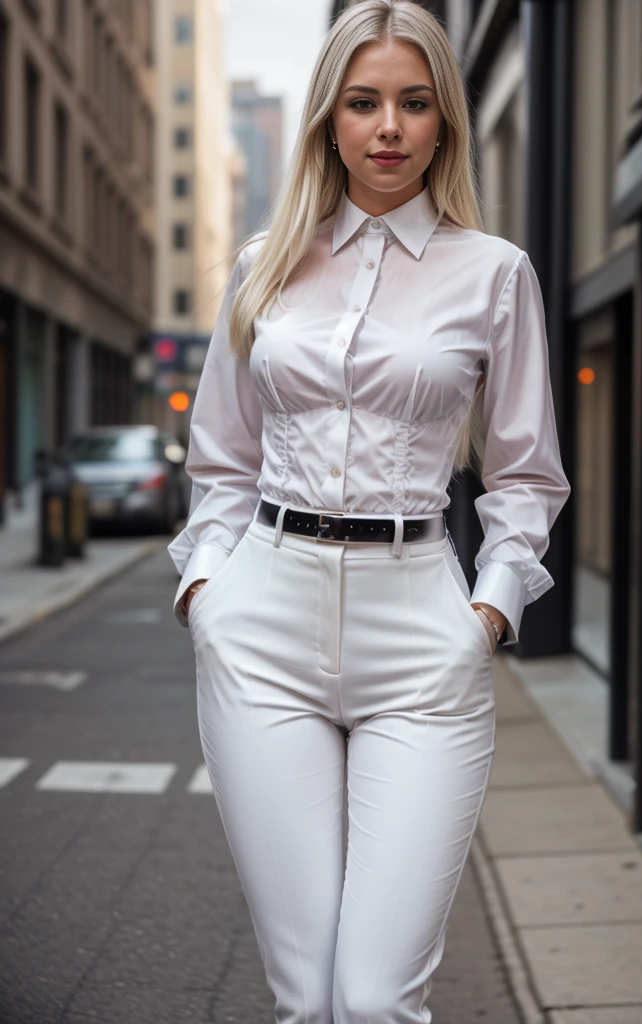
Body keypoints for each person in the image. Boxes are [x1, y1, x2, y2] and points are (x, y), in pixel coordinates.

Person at [167, 1, 571, 1019]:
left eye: (413, 103)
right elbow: (220, 455)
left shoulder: (495, 274)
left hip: (419, 634)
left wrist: (487, 612)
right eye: (364, 102)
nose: (387, 126)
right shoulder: (262, 265)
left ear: (442, 123)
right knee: (308, 998)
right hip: (262, 621)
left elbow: (526, 477)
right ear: (329, 121)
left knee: (377, 995)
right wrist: (206, 588)